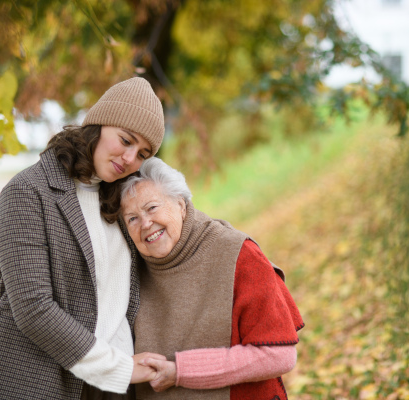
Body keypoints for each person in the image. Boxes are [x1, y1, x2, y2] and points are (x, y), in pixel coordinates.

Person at [0, 77, 167, 400]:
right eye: (125, 140)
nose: (130, 158)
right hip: (41, 383)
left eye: (143, 153)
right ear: (98, 126)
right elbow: (34, 309)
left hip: (116, 387)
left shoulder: (122, 201)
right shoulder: (28, 193)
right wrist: (118, 367)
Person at [119, 157, 304, 399]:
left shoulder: (237, 253)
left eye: (152, 208)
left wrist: (181, 371)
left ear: (181, 204)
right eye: (132, 218)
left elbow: (279, 355)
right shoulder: (128, 271)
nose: (145, 224)